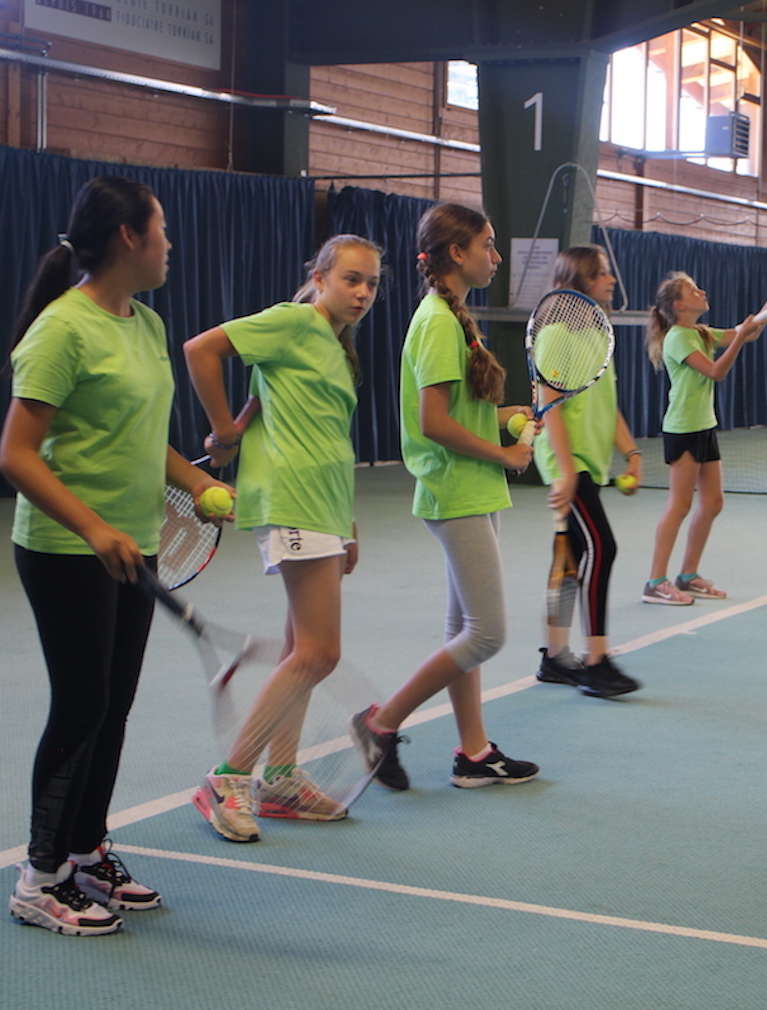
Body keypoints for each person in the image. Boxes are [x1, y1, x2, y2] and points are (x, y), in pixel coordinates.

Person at [0, 175, 228, 935]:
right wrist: (94, 528)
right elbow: (16, 455)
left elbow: (142, 438)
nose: (170, 244)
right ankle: (40, 876)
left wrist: (197, 482)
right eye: (161, 230)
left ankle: (85, 850)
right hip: (67, 548)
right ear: (129, 237)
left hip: (135, 545)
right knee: (81, 704)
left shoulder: (147, 324)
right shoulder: (62, 329)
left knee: (112, 704)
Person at [181, 235, 381, 842]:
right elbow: (201, 350)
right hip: (292, 499)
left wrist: (345, 523)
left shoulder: (336, 348)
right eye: (351, 279)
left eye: (371, 284)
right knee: (319, 653)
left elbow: (298, 418)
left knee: (303, 650)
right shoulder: (294, 322)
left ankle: (283, 779)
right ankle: (228, 778)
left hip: (323, 506)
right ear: (319, 278)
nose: (363, 293)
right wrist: (223, 430)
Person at [349, 202, 540, 790]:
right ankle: (380, 723)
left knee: (464, 630)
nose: (496, 256)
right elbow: (432, 423)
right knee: (487, 634)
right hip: (455, 489)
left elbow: (463, 413)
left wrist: (510, 417)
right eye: (488, 244)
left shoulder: (457, 318)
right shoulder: (436, 321)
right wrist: (505, 455)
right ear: (456, 253)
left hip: (473, 488)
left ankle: (474, 753)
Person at [641, 268, 767, 605]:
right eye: (694, 290)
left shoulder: (700, 332)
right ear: (679, 305)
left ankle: (687, 576)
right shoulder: (678, 337)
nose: (702, 292)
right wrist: (739, 338)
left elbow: (749, 331)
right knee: (680, 505)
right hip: (683, 428)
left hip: (705, 426)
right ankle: (655, 582)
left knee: (712, 502)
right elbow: (716, 371)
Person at [530, 246, 645, 698]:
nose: (611, 279)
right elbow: (549, 404)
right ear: (580, 280)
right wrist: (564, 471)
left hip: (589, 462)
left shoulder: (599, 335)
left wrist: (631, 452)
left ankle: (556, 658)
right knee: (603, 546)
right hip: (569, 460)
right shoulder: (555, 334)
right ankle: (596, 660)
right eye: (601, 273)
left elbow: (607, 404)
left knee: (571, 555)